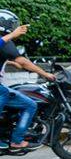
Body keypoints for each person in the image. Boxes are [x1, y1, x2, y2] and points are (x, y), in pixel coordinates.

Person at [0, 10, 56, 150]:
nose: (15, 28)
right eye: (13, 25)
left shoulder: (4, 43)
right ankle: (17, 140)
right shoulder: (5, 41)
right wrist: (45, 74)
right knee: (28, 104)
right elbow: (23, 62)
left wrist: (11, 63)